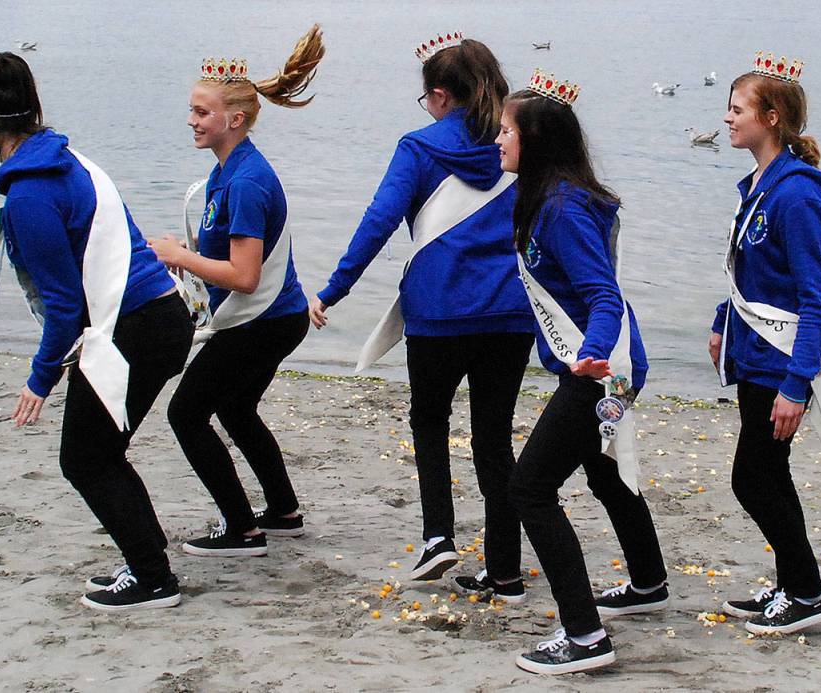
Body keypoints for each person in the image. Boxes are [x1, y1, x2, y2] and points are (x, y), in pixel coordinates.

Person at [308, 32, 535, 594]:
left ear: (439, 95)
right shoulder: (517, 144)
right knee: (494, 437)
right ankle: (504, 568)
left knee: (430, 421)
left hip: (439, 312)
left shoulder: (419, 147)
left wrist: (333, 291)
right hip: (510, 313)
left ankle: (439, 537)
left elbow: (378, 221)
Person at [0, 51, 194, 612]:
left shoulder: (29, 195)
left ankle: (153, 577)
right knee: (101, 451)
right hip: (161, 315)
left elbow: (65, 307)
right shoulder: (70, 160)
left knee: (86, 459)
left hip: (136, 328)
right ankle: (147, 561)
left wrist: (39, 380)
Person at [500, 70, 668, 675]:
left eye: (506, 131)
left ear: (535, 141)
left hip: (603, 368)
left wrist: (592, 355)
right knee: (604, 474)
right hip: (601, 363)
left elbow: (602, 294)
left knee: (529, 489)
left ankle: (585, 637)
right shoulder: (549, 197)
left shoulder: (564, 207)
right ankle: (649, 583)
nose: (498, 142)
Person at [149, 26, 324, 558]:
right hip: (276, 317)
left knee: (186, 414)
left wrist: (179, 257)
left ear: (235, 119)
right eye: (193, 110)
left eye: (202, 112)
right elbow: (230, 257)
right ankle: (284, 513)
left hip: (264, 319)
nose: (191, 121)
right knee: (237, 408)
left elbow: (245, 276)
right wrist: (190, 252)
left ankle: (242, 530)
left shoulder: (245, 181)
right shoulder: (230, 170)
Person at [710, 51, 821, 635]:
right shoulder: (758, 184)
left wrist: (797, 384)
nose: (726, 118)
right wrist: (723, 318)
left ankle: (808, 591)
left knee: (754, 478)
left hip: (781, 358)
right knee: (768, 475)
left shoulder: (796, 195)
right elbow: (752, 270)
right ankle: (794, 583)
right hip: (752, 352)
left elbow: (814, 296)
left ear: (770, 117)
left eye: (737, 109)